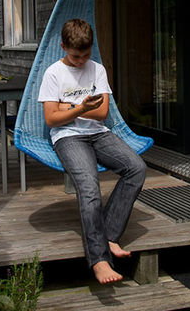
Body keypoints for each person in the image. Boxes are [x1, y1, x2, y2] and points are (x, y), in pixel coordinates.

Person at [39, 18, 146, 284]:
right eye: (75, 56)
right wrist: (82, 109)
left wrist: (69, 108)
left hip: (98, 134)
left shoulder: (97, 69)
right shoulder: (53, 73)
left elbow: (102, 112)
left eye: (85, 55)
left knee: (136, 169)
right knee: (89, 188)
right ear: (63, 47)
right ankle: (98, 259)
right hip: (68, 138)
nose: (80, 61)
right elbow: (51, 119)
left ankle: (109, 236)